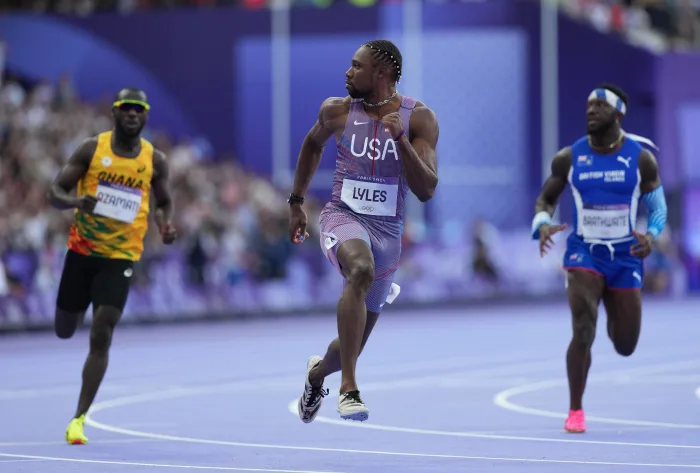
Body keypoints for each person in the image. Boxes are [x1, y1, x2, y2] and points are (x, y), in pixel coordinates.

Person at [288, 40, 439, 423]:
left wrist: (401, 141)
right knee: (359, 269)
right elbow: (311, 145)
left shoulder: (419, 119)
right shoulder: (335, 111)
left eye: (356, 66)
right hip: (342, 215)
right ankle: (349, 390)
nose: (347, 72)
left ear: (382, 74)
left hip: (387, 234)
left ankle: (318, 374)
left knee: (349, 347)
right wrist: (296, 202)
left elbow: (426, 189)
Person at [531, 84, 667, 434]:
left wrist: (650, 236)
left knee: (625, 345)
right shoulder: (569, 157)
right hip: (584, 252)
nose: (591, 109)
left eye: (600, 105)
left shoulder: (640, 159)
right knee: (583, 325)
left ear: (619, 113)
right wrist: (543, 223)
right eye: (588, 104)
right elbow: (546, 199)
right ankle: (575, 410)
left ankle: (613, 308)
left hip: (626, 256)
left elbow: (658, 208)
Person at [48, 88, 177, 444]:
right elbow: (54, 192)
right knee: (63, 329)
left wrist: (165, 225)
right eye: (126, 108)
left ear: (146, 116)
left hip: (121, 256)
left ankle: (78, 419)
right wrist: (78, 201)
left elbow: (165, 202)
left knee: (103, 327)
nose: (133, 114)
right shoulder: (92, 149)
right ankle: (74, 312)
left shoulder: (155, 160)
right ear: (115, 113)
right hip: (82, 252)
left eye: (139, 109)